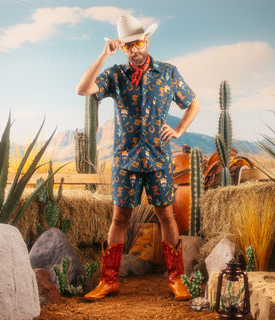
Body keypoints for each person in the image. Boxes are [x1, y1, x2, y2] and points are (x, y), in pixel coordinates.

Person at [76, 14, 200, 301]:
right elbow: (82, 89)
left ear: (147, 40)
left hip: (158, 159)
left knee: (166, 214)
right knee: (120, 217)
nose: (134, 49)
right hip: (126, 161)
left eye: (138, 42)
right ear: (123, 48)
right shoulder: (116, 74)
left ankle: (176, 279)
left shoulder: (168, 72)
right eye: (128, 45)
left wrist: (180, 129)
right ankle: (109, 280)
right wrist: (103, 55)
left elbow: (193, 102)